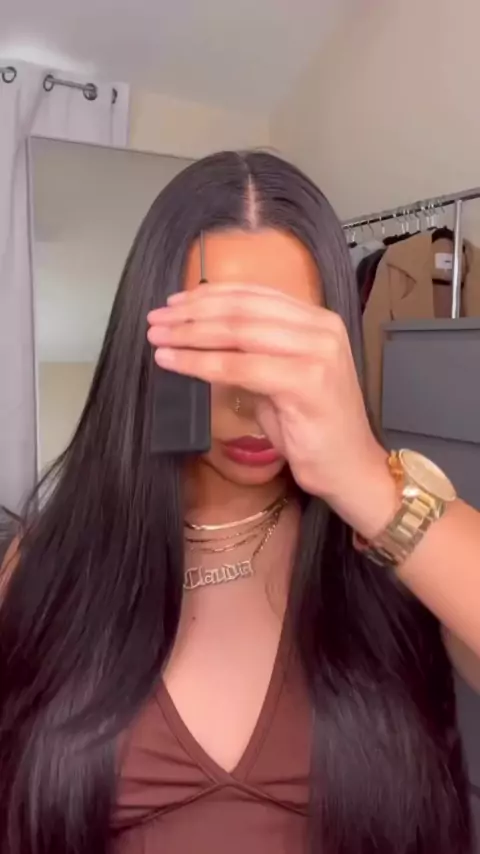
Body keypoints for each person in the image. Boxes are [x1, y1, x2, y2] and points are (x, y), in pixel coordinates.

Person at [0, 151, 479, 854]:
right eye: (222, 345)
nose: (254, 401)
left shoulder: (400, 549)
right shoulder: (49, 560)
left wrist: (369, 485)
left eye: (286, 346)